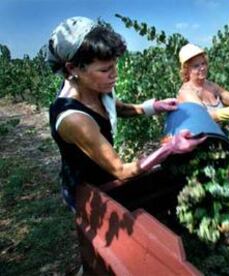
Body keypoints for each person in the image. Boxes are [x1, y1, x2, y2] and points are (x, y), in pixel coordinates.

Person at [47, 17, 205, 212]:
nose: (115, 74)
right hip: (87, 189)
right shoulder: (74, 119)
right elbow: (121, 170)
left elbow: (117, 108)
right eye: (105, 69)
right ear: (72, 68)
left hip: (106, 174)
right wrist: (170, 148)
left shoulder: (93, 85)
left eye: (114, 65)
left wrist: (154, 107)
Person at [177, 43, 229, 122]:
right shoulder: (186, 92)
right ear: (186, 70)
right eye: (196, 66)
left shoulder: (210, 85)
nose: (202, 68)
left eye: (203, 63)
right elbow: (202, 116)